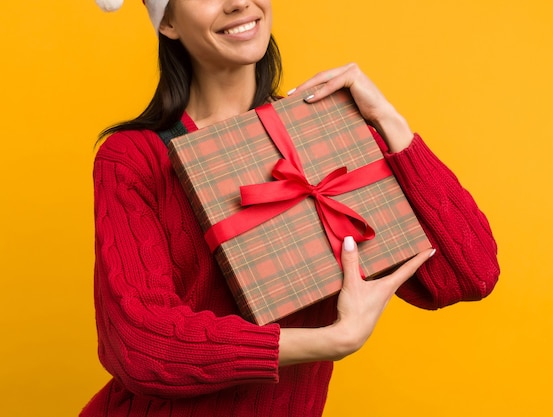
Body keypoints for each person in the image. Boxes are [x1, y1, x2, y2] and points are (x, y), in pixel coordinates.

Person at [83, 0, 500, 416]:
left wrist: (387, 120)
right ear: (168, 21)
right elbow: (139, 344)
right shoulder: (134, 158)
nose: (239, 3)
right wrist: (331, 341)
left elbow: (469, 274)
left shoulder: (324, 131)